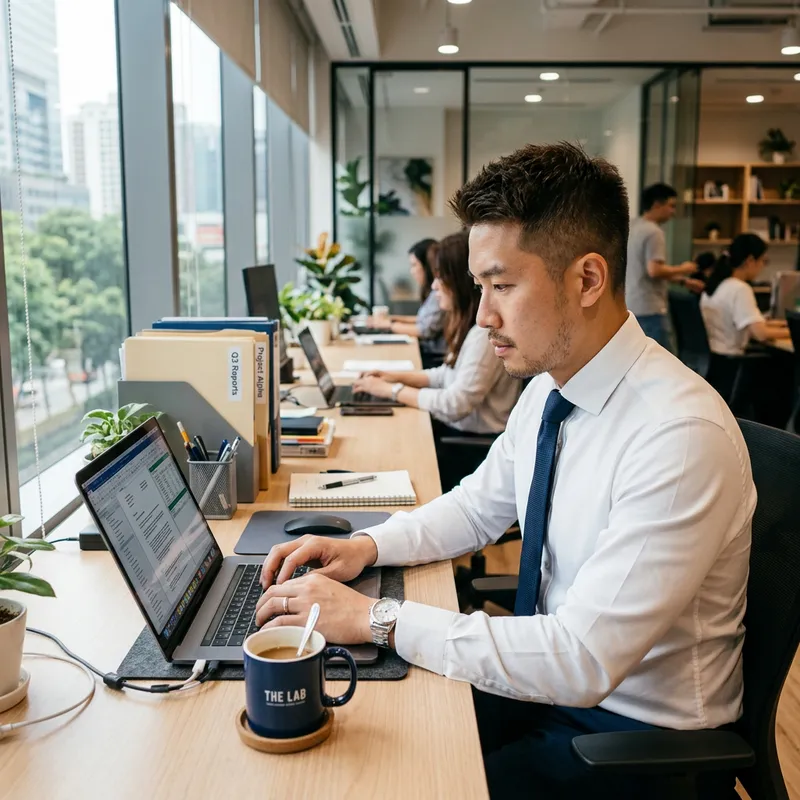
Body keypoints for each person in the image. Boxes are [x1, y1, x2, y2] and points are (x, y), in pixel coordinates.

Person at [255, 143, 755, 800]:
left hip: (635, 742)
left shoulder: (677, 435)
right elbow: (477, 506)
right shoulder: (552, 386)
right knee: (365, 737)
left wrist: (376, 618)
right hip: (549, 691)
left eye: (502, 286)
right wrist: (365, 547)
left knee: (393, 778)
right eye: (479, 286)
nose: (482, 314)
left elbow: (583, 660)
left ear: (587, 279)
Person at [354, 231, 521, 491]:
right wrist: (394, 377)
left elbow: (456, 403)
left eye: (440, 277)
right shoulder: (467, 326)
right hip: (458, 433)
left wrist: (393, 391)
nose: (433, 286)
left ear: (458, 282)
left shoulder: (482, 337)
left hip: (470, 447)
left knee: (390, 454)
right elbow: (447, 374)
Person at [625, 183, 703, 351]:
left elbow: (643, 270)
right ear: (656, 205)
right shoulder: (654, 232)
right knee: (660, 365)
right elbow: (654, 270)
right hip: (650, 308)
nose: (673, 212)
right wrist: (684, 268)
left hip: (630, 305)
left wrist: (682, 281)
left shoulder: (632, 226)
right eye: (671, 206)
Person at [700, 233, 788, 355]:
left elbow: (737, 321)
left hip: (714, 360)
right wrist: (793, 332)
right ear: (750, 261)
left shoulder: (715, 285)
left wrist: (773, 324)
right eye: (763, 261)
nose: (763, 267)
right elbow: (760, 334)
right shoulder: (740, 289)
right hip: (733, 362)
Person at [367, 238, 447, 366]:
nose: (412, 271)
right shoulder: (433, 293)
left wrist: (389, 325)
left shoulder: (439, 295)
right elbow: (422, 320)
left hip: (433, 357)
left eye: (414, 265)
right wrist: (392, 319)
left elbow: (424, 330)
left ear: (427, 265)